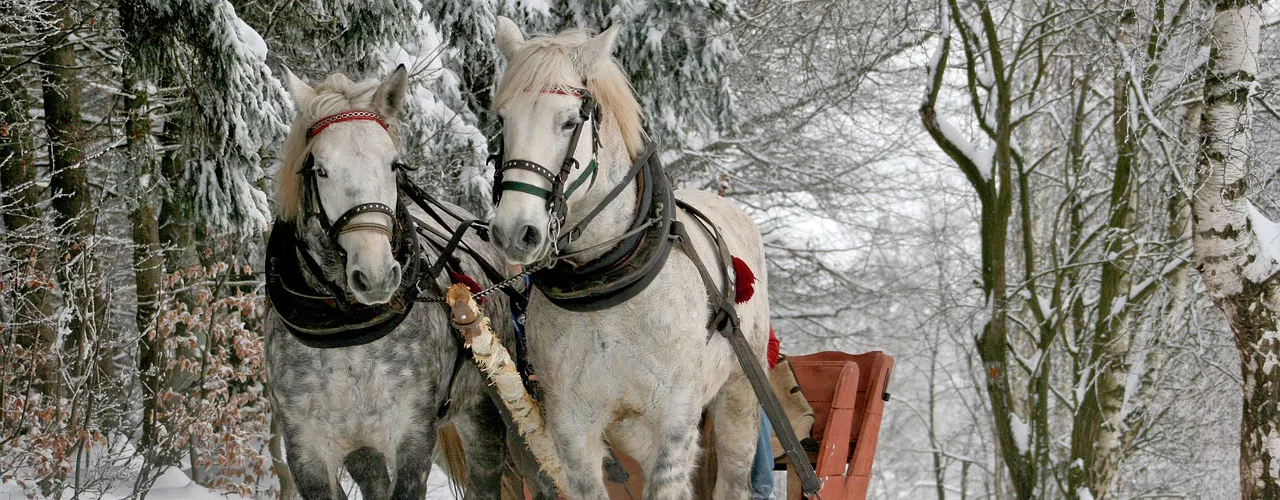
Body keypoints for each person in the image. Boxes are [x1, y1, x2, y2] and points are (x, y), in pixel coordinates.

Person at [750, 327, 782, 499]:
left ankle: (762, 490)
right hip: (698, 384)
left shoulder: (751, 305)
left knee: (755, 410)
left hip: (740, 380)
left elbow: (771, 346)